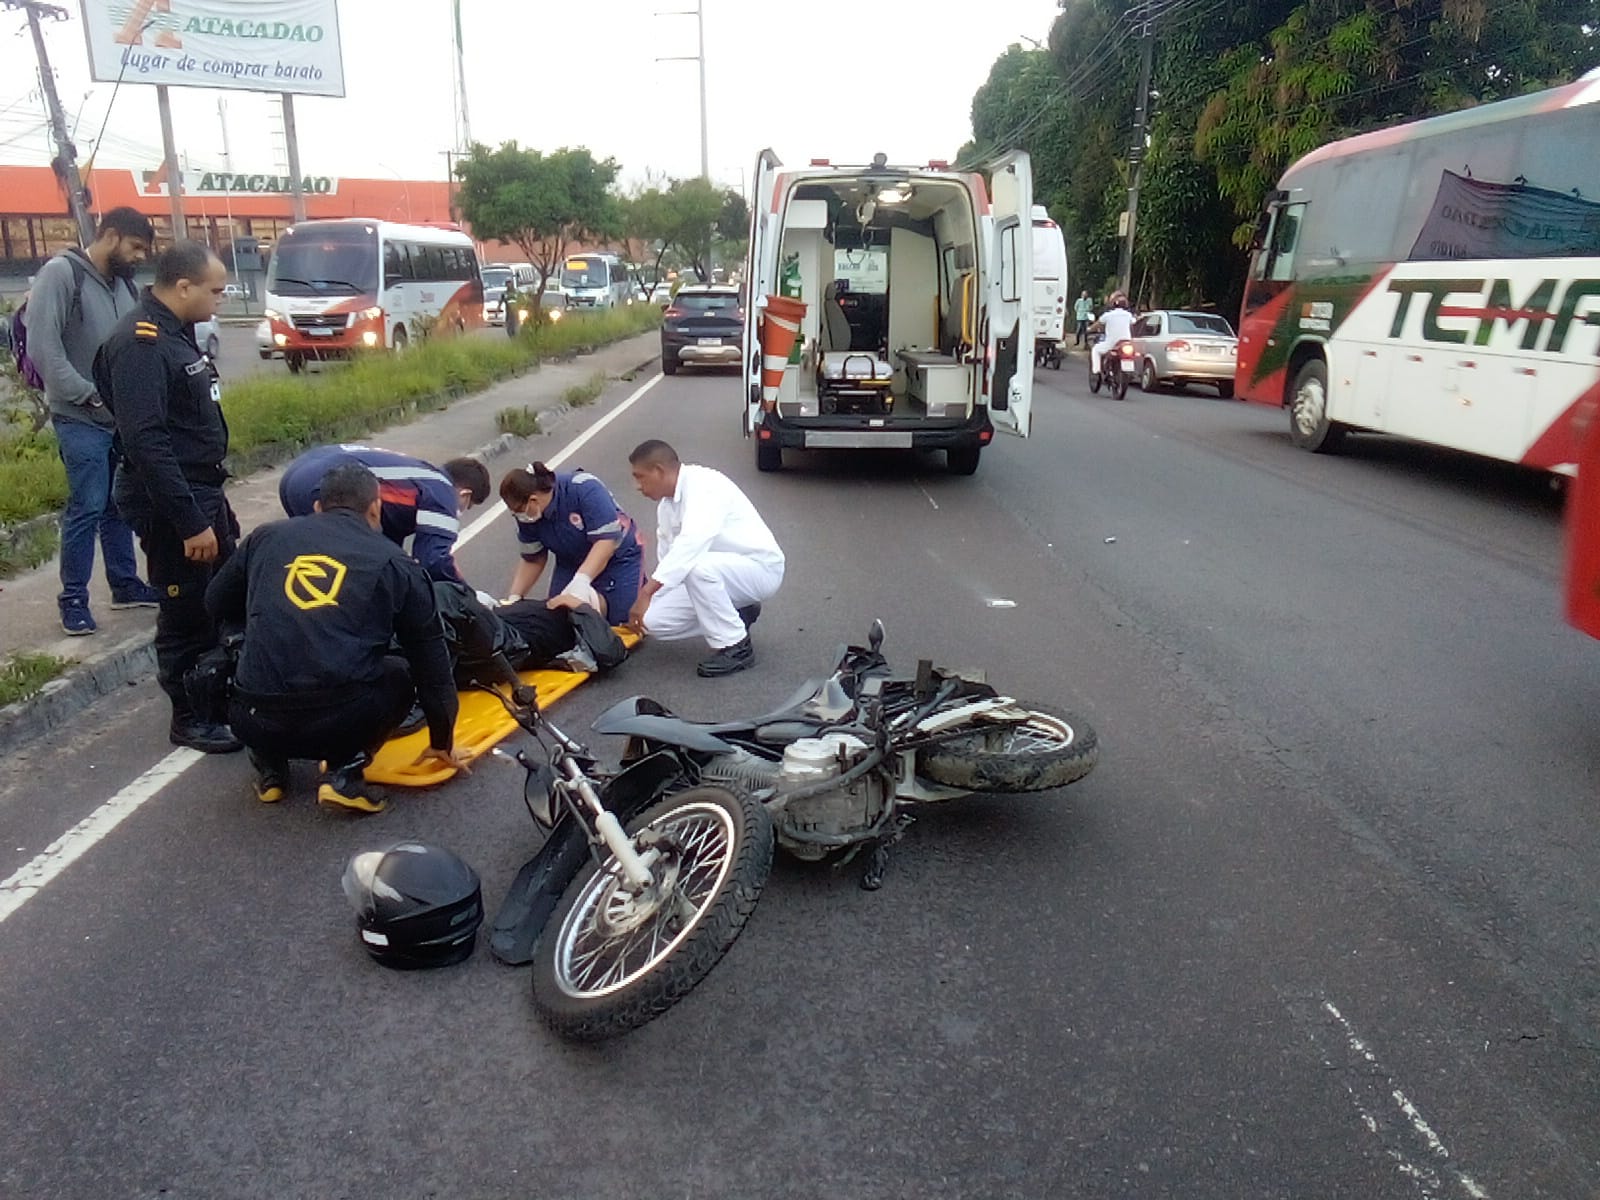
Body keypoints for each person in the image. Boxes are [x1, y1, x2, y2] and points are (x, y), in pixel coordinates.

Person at [206, 463, 470, 814]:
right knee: (403, 670)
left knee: (241, 643)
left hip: (251, 718)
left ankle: (270, 766)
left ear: (317, 506)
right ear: (376, 508)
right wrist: (442, 740)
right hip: (339, 722)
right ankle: (346, 772)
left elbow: (215, 602)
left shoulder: (265, 537)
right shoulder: (397, 563)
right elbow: (432, 665)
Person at [95, 240, 241, 754]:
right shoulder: (142, 344)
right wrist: (188, 521)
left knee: (217, 600)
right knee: (186, 611)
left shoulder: (176, 334)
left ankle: (217, 697)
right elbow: (146, 442)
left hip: (200, 489)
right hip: (171, 500)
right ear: (184, 287)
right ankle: (189, 716)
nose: (221, 299)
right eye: (216, 290)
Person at [27, 207, 159, 634]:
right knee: (86, 506)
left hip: (118, 417)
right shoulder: (62, 274)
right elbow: (44, 350)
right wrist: (89, 394)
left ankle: (124, 584)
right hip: (79, 417)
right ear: (112, 236)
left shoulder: (123, 284)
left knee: (116, 505)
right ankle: (73, 601)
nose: (140, 256)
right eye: (135, 247)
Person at [625, 439, 784, 678]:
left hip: (760, 570)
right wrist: (647, 603)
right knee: (652, 621)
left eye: (640, 477)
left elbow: (691, 545)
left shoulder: (704, 485)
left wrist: (646, 592)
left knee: (696, 565)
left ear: (659, 470)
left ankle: (736, 646)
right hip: (718, 574)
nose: (637, 485)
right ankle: (736, 613)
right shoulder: (666, 507)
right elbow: (669, 561)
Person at [278, 443, 490, 585]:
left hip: (297, 473)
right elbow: (433, 560)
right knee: (343, 573)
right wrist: (468, 595)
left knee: (311, 558)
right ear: (465, 494)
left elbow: (388, 546)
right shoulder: (442, 491)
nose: (461, 511)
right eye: (467, 505)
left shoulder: (421, 474)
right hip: (323, 483)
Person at [498, 461, 643, 621]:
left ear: (533, 500)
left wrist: (581, 581)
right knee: (560, 616)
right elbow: (533, 558)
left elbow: (606, 542)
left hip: (619, 557)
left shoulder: (584, 488)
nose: (519, 517)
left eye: (519, 511)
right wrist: (515, 597)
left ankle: (637, 589)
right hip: (571, 562)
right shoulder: (528, 516)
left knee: (623, 625)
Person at [1090, 291, 1135, 379]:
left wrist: (1089, 329)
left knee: (1095, 350)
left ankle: (1096, 371)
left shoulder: (1108, 315)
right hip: (1126, 342)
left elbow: (1098, 324)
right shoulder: (1128, 315)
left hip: (1111, 343)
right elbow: (1134, 322)